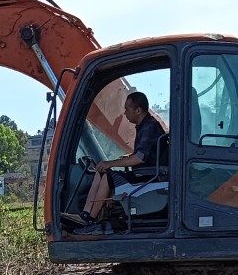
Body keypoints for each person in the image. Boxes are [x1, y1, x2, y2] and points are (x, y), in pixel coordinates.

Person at [67, 91, 168, 231]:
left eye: (127, 109)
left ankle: (89, 219)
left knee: (108, 177)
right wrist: (120, 160)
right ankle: (85, 214)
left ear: (138, 110)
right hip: (146, 171)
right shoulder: (145, 125)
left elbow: (139, 158)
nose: (125, 113)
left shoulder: (149, 127)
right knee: (101, 173)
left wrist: (111, 163)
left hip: (151, 175)